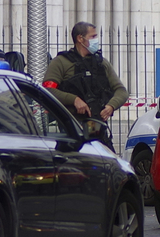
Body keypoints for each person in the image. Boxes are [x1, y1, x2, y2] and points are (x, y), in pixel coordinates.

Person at [42, 21, 128, 149]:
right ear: (80, 39)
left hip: (97, 126)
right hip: (71, 127)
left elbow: (121, 91)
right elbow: (48, 90)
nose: (96, 40)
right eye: (92, 37)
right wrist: (74, 100)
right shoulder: (61, 62)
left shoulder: (101, 63)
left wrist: (111, 106)